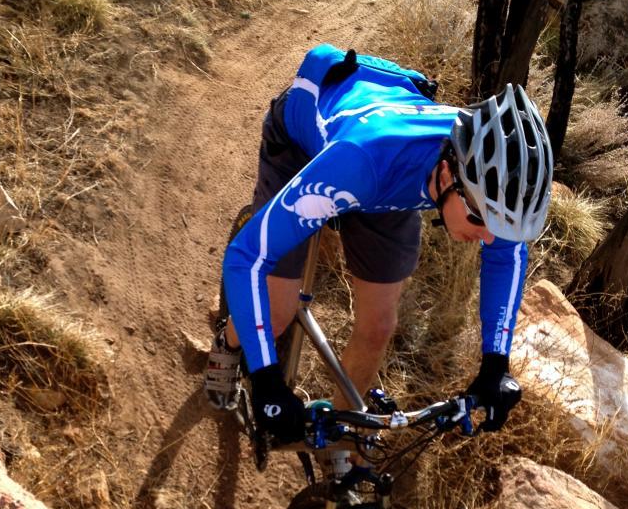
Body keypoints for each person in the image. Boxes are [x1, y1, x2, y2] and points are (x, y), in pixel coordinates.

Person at [205, 44, 553, 445]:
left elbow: (506, 252)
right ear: (445, 174)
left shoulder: (476, 172)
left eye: (500, 222)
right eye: (480, 218)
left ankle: (342, 443)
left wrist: (496, 363)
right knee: (279, 312)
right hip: (325, 151)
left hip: (387, 178)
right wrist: (266, 381)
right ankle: (227, 346)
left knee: (378, 327)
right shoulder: (360, 163)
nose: (488, 237)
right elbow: (247, 256)